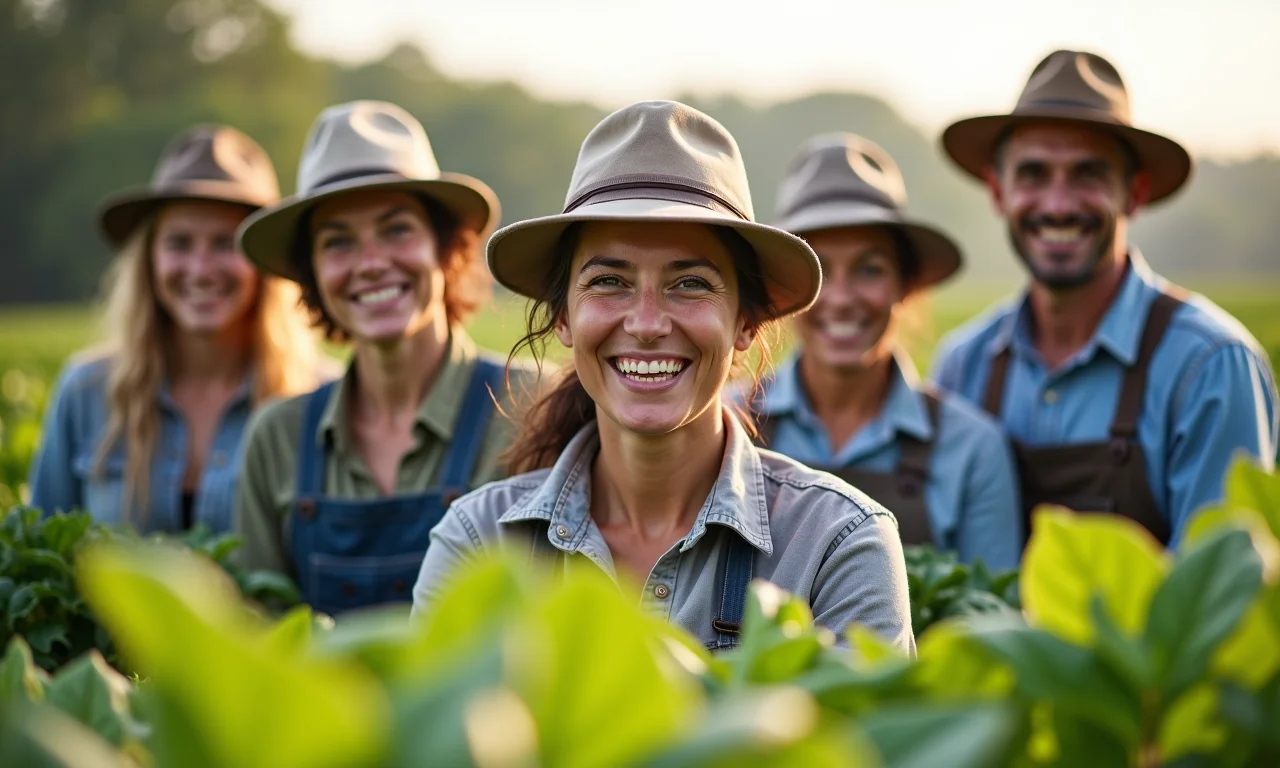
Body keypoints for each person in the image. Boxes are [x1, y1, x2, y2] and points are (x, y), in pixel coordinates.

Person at [412, 101, 915, 654]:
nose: (647, 324)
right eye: (609, 281)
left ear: (746, 321)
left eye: (691, 284)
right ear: (563, 318)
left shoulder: (834, 544)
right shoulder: (478, 542)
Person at [932, 50, 1278, 547]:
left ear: (1133, 194)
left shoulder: (1210, 367)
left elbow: (1218, 597)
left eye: (1087, 174)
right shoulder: (963, 367)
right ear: (997, 191)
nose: (1057, 204)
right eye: (1033, 174)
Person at [232, 101, 538, 616]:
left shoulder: (532, 404)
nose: (372, 264)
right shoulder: (277, 437)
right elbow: (258, 639)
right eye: (338, 242)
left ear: (445, 249)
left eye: (397, 230)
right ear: (313, 274)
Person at [28, 125, 325, 534]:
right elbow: (43, 549)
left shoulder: (318, 398)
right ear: (148, 259)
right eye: (179, 243)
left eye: (225, 243)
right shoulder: (85, 393)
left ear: (263, 266)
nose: (200, 271)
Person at [751, 133, 1022, 570]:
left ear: (906, 284)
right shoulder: (727, 427)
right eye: (818, 269)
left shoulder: (972, 450)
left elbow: (990, 617)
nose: (840, 298)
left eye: (869, 269)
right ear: (785, 289)